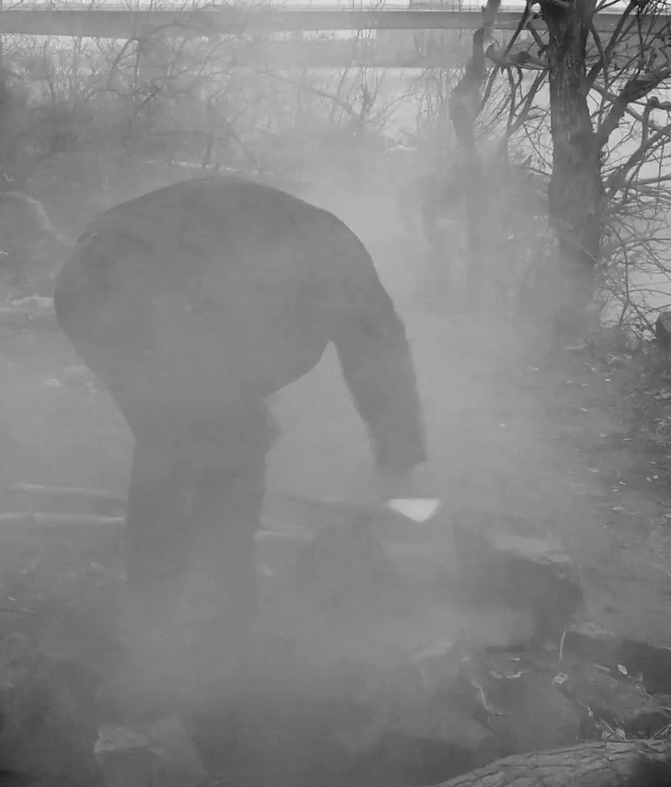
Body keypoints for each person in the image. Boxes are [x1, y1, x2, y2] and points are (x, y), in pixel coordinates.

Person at [53, 176, 428, 693]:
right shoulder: (334, 255)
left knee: (171, 443)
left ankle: (155, 619)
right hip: (141, 286)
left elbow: (226, 330)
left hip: (82, 284)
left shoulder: (274, 241)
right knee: (228, 449)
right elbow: (379, 350)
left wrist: (232, 403)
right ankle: (220, 629)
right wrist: (399, 459)